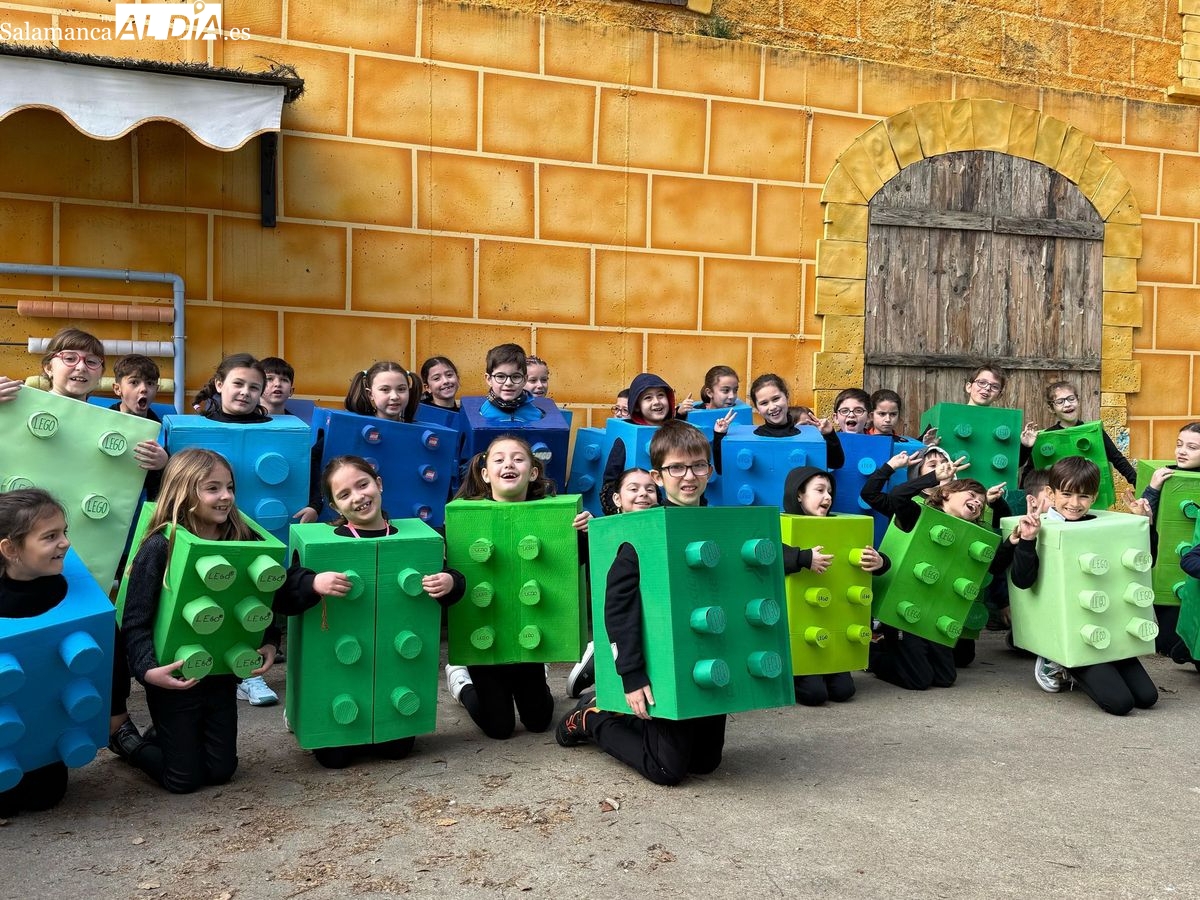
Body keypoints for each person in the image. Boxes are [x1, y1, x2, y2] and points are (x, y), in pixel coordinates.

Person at [555, 421, 727, 785]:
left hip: (703, 650)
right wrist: (631, 676)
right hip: (658, 657)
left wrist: (801, 559)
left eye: (698, 466)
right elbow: (617, 608)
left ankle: (623, 715)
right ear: (659, 476)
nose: (689, 476)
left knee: (706, 763)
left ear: (710, 471)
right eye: (676, 468)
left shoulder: (718, 523)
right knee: (666, 769)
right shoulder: (642, 531)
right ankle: (593, 718)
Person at [274, 455, 465, 767]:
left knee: (397, 750)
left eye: (362, 485)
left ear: (379, 484)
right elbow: (283, 596)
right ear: (334, 507)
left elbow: (448, 584)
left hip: (395, 666)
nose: (358, 497)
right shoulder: (324, 545)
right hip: (341, 665)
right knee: (334, 759)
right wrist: (312, 582)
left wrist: (450, 582)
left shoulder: (413, 540)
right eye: (344, 494)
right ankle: (302, 711)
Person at [119, 449, 280, 793]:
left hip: (219, 672)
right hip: (172, 673)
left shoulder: (243, 540)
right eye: (212, 488)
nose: (225, 497)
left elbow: (257, 597)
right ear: (183, 491)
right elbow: (135, 619)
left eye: (230, 487)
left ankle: (166, 734)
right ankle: (130, 744)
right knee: (183, 780)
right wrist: (147, 671)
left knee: (222, 770)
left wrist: (269, 640)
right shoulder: (160, 545)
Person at [444, 435, 591, 739]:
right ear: (485, 474)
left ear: (533, 472)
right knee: (499, 729)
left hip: (529, 635)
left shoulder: (555, 517)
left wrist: (587, 533)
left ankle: (538, 674)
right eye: (498, 459)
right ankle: (461, 683)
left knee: (539, 722)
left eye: (518, 458)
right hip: (485, 639)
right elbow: (454, 568)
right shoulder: (464, 519)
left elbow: (572, 564)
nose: (508, 464)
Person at [1008, 458, 1159, 716]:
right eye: (1066, 494)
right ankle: (1055, 661)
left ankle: (1098, 665)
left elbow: (1147, 562)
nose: (1074, 503)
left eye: (1083, 496)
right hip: (1071, 632)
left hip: (1107, 624)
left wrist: (1146, 526)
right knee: (1121, 703)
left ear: (1094, 497)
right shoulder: (1039, 525)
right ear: (1050, 494)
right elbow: (1023, 581)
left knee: (1147, 697)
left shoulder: (1101, 524)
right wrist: (1027, 541)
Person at [862, 468, 1013, 689]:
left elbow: (997, 564)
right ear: (946, 494)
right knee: (918, 680)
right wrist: (934, 478)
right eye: (971, 495)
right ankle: (873, 656)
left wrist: (1014, 541)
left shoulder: (972, 536)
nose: (977, 503)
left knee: (945, 678)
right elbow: (896, 497)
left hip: (935, 616)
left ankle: (892, 648)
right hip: (902, 613)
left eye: (981, 503)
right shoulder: (917, 514)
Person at [780, 465, 888, 705]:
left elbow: (869, 554)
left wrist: (880, 561)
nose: (827, 497)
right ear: (799, 494)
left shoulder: (841, 526)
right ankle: (789, 677)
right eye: (819, 490)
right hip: (799, 632)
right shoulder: (781, 525)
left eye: (830, 491)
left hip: (834, 628)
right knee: (814, 694)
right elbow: (773, 554)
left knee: (843, 691)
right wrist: (805, 558)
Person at [0, 489, 75, 816]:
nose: (65, 543)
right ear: (10, 549)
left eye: (64, 532)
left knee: (46, 794)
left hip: (47, 725)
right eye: (50, 536)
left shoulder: (65, 590)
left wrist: (116, 711)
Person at [566, 468, 658, 699]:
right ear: (617, 498)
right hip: (620, 625)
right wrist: (589, 531)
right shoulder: (607, 530)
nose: (643, 494)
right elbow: (587, 562)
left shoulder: (660, 528)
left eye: (650, 489)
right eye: (634, 488)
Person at [1140, 422, 1200, 660]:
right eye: (1179, 444)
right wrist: (1153, 488)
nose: (1182, 451)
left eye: (1192, 447)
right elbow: (1143, 517)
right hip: (1169, 568)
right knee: (1166, 645)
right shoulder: (1166, 474)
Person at [1018, 381, 1136, 485]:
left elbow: (1118, 460)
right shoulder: (1045, 438)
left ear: (1078, 401)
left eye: (1071, 398)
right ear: (1051, 408)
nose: (1067, 404)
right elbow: (1030, 471)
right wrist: (1023, 499)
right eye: (1060, 401)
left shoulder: (1094, 432)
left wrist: (1139, 485)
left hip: (1090, 496)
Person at [480, 344, 542, 422]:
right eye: (501, 376)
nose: (508, 383)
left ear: (525, 379)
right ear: (489, 379)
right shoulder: (483, 413)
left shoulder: (536, 415)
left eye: (516, 377)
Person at [345, 361, 421, 423]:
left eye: (401, 389)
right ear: (370, 394)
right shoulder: (354, 426)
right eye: (385, 389)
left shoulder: (419, 431)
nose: (394, 396)